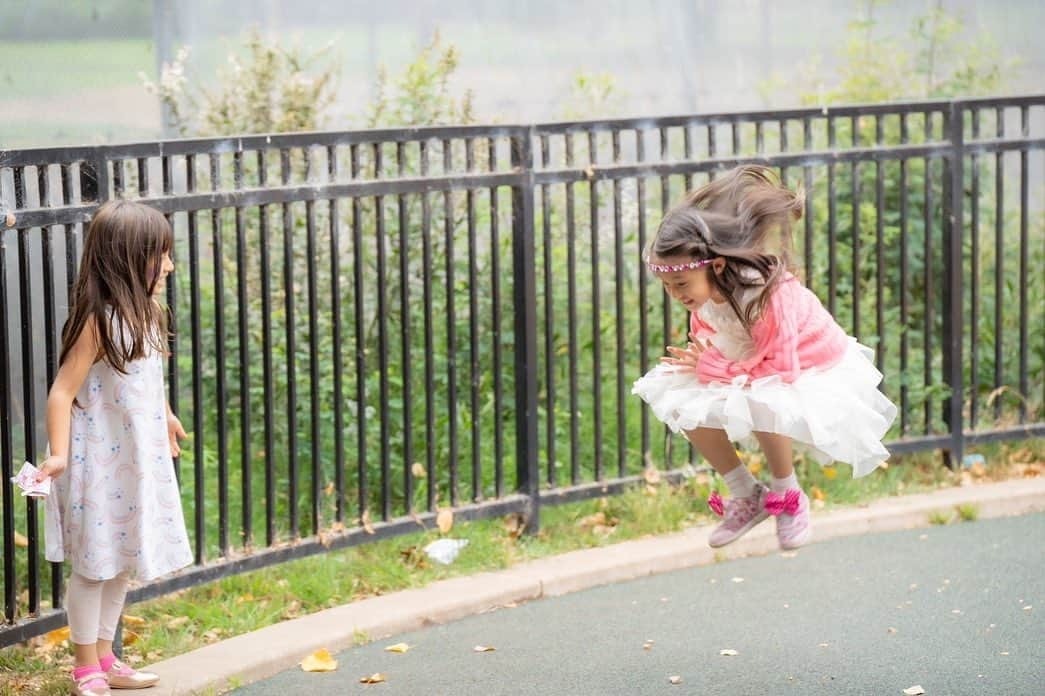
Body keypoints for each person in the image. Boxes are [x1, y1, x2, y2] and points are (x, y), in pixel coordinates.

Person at [633, 165, 897, 551]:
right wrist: (705, 364)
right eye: (667, 286)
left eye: (681, 284)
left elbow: (781, 366)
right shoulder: (706, 296)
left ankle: (788, 495)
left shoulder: (765, 296)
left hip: (800, 357)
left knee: (766, 398)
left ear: (716, 267)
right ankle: (745, 493)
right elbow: (714, 339)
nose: (675, 294)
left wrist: (719, 369)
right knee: (679, 393)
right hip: (752, 355)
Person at [37, 199, 193, 696]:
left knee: (122, 559)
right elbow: (62, 391)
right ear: (128, 259)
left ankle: (108, 656)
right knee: (93, 565)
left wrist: (164, 414)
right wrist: (58, 455)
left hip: (135, 461)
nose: (169, 265)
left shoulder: (147, 313)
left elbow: (149, 376)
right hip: (97, 462)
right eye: (159, 255)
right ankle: (86, 667)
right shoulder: (98, 323)